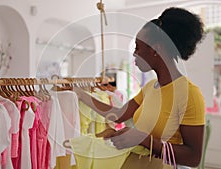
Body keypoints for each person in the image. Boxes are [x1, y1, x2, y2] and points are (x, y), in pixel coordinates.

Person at [75, 7, 205, 168]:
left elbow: (193, 157)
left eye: (138, 47)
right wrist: (80, 94)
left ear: (156, 49)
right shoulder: (150, 88)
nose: (134, 54)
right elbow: (117, 115)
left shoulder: (189, 94)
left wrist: (142, 139)